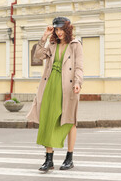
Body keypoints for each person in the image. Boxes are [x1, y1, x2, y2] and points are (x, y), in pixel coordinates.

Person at [26, 17, 83, 172]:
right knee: (47, 120)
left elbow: (79, 67)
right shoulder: (51, 44)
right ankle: (49, 159)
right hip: (50, 85)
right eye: (56, 30)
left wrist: (78, 83)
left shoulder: (75, 45)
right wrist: (44, 37)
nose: (58, 33)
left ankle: (69, 158)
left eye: (61, 30)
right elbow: (38, 55)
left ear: (67, 29)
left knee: (69, 121)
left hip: (68, 87)